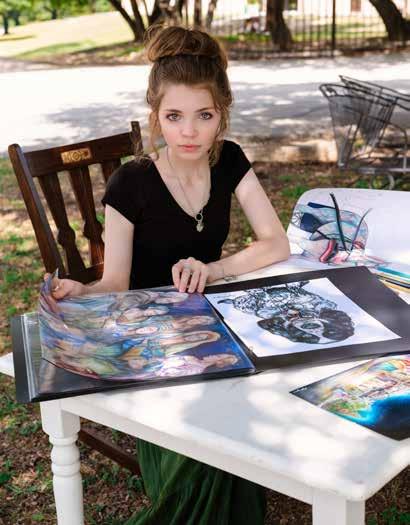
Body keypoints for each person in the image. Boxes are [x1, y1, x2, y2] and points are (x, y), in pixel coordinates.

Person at [45, 24, 290, 525]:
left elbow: (276, 242)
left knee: (237, 419)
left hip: (214, 332)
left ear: (222, 113)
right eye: (174, 116)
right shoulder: (130, 183)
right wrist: (81, 290)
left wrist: (213, 269)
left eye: (204, 115)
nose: (189, 132)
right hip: (151, 351)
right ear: (155, 114)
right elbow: (114, 285)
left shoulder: (229, 160)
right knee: (211, 445)